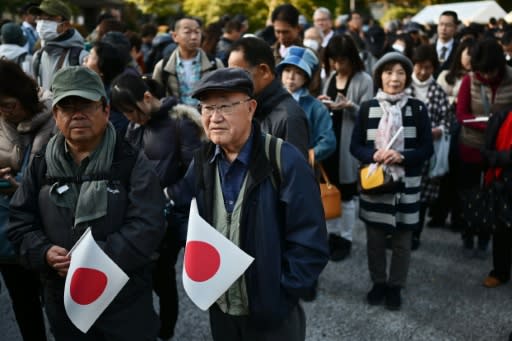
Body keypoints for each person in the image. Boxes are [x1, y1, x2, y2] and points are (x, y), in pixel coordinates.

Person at [167, 67, 329, 341]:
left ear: (251, 108)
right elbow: (181, 210)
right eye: (207, 107)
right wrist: (199, 249)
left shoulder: (283, 159)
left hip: (272, 313)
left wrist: (282, 293)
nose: (214, 117)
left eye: (225, 106)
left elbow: (310, 240)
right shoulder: (203, 160)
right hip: (221, 308)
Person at [7, 66, 166, 340]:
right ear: (56, 116)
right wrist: (43, 252)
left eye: (86, 105)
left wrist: (91, 260)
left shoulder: (131, 160)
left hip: (123, 302)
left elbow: (148, 226)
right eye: (67, 107)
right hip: (65, 302)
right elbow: (20, 223)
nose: (77, 114)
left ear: (105, 110)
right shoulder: (41, 163)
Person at [110, 73, 205, 339]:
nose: (130, 118)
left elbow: (196, 173)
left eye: (132, 111)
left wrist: (168, 195)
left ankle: (165, 331)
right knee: (143, 278)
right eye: (124, 113)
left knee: (162, 277)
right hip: (140, 216)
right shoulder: (134, 127)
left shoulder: (180, 124)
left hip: (170, 217)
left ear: (148, 98)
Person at [350, 52, 433, 310]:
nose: (394, 78)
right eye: (388, 72)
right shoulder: (367, 108)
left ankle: (396, 285)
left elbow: (426, 148)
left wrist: (402, 156)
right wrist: (373, 154)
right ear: (379, 77)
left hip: (407, 183)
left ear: (407, 77)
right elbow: (356, 146)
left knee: (402, 239)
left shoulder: (417, 108)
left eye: (400, 72)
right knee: (374, 238)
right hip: (375, 181)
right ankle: (378, 282)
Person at [0, 59, 51, 341]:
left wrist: (24, 186)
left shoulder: (54, 119)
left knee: (56, 300)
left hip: (46, 227)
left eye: (9, 104)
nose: (5, 112)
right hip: (8, 229)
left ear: (23, 94)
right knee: (23, 303)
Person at [319, 34, 374, 261]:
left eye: (342, 60)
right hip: (330, 141)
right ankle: (332, 234)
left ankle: (346, 237)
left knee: (348, 193)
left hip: (349, 143)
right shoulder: (331, 76)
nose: (338, 65)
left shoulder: (364, 80)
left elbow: (370, 112)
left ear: (352, 58)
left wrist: (350, 106)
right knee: (329, 190)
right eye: (334, 60)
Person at [456, 38, 512, 258]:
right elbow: (461, 114)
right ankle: (469, 230)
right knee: (470, 192)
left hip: (502, 151)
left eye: (490, 71)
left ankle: (488, 234)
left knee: (495, 194)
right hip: (472, 145)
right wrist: (489, 126)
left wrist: (499, 127)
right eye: (482, 72)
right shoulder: (469, 81)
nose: (486, 77)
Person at [228, 36, 310, 158]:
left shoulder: (289, 117)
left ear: (264, 71)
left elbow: (295, 173)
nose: (232, 81)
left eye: (238, 74)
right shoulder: (244, 106)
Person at [407, 44, 451, 250]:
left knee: (422, 196)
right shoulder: (404, 87)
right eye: (419, 67)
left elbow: (447, 121)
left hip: (427, 151)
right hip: (403, 149)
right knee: (402, 191)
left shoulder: (438, 91)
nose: (423, 72)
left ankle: (416, 233)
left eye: (428, 67)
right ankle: (400, 232)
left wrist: (439, 130)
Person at [276, 46, 336, 162]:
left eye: (298, 72)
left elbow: (328, 141)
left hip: (302, 168)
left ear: (306, 78)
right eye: (287, 70)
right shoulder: (270, 100)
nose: (291, 77)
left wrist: (308, 156)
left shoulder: (316, 107)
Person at [152, 17, 224, 107]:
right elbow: (156, 99)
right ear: (175, 36)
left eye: (197, 32)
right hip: (175, 118)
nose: (194, 37)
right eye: (187, 32)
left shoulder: (215, 64)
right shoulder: (163, 67)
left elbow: (223, 95)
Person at [480, 109, 512, 288]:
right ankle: (500, 272)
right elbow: (485, 151)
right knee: (502, 230)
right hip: (503, 182)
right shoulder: (502, 116)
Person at [29, 0, 88, 90]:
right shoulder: (37, 56)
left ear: (65, 25)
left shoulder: (81, 57)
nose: (42, 23)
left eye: (49, 19)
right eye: (40, 18)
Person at [432, 11, 459, 77]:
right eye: (441, 24)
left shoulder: (460, 49)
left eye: (448, 25)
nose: (443, 28)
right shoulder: (428, 48)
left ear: (455, 28)